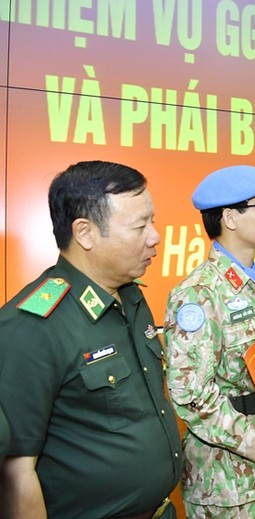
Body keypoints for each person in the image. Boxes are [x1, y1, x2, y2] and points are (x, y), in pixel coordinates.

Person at [0, 160, 182, 518]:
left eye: (153, 220)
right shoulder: (32, 326)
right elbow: (17, 473)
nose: (155, 236)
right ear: (85, 233)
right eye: (140, 225)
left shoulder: (130, 296)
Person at [163, 165, 255, 518]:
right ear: (230, 218)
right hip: (224, 482)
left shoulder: (252, 285)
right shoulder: (199, 294)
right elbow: (191, 396)